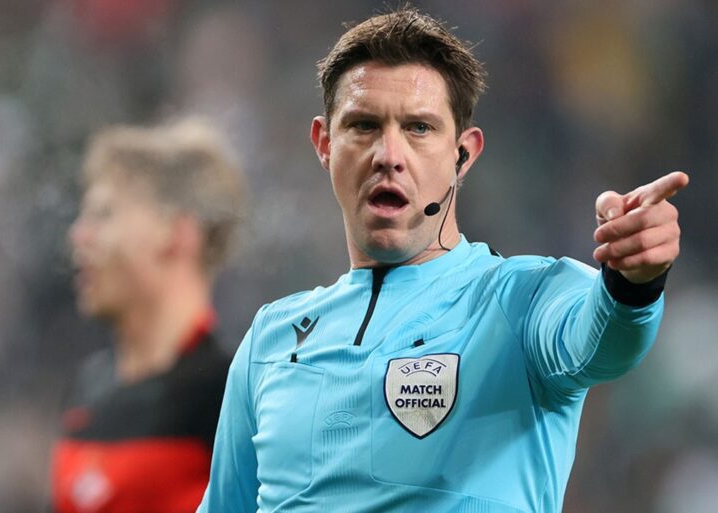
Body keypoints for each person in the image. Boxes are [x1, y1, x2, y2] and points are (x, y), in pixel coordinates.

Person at [197, 7, 687, 513]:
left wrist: (633, 280)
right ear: (325, 144)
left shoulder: (523, 300)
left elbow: (603, 343)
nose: (388, 155)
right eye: (364, 125)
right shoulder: (270, 339)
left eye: (418, 128)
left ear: (463, 154)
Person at [51, 119, 246, 513]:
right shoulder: (90, 386)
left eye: (103, 214)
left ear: (178, 233)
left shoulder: (231, 392)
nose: (79, 235)